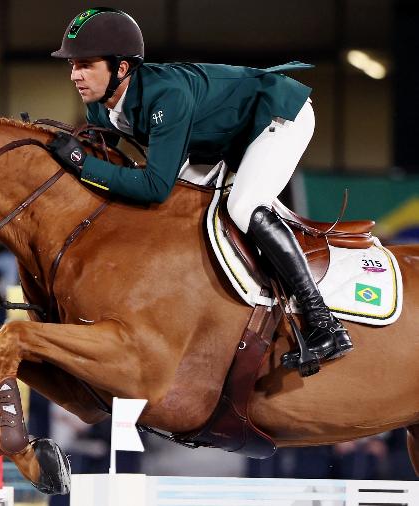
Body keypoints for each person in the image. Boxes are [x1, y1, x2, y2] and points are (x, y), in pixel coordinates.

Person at [47, 8, 351, 367]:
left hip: (278, 116)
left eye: (85, 65)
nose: (75, 75)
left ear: (122, 68)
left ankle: (323, 323)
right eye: (72, 65)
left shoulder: (166, 96)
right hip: (222, 140)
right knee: (179, 211)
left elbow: (154, 186)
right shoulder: (100, 108)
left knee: (244, 205)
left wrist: (82, 164)